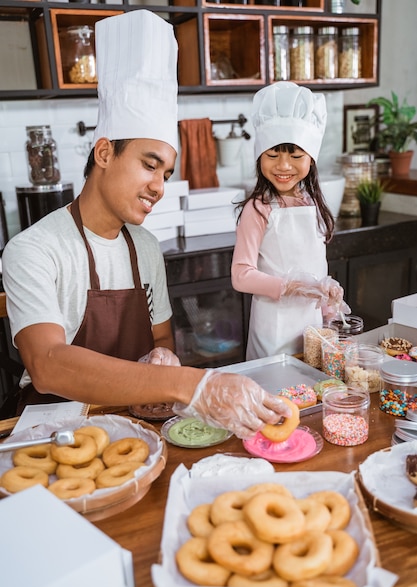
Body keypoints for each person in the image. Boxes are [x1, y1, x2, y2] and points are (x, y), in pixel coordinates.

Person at [2, 11, 291, 439]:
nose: (158, 187)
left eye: (166, 174)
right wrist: (193, 383)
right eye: (148, 165)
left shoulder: (145, 246)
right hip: (53, 434)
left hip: (135, 430)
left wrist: (165, 363)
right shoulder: (34, 249)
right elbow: (46, 365)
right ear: (104, 153)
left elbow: (162, 343)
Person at [231, 81, 350, 360]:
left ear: (311, 159)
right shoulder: (258, 209)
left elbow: (317, 266)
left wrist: (329, 300)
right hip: (274, 328)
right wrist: (289, 286)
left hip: (313, 328)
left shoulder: (314, 205)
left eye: (295, 156)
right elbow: (240, 275)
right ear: (260, 156)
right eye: (273, 155)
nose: (283, 166)